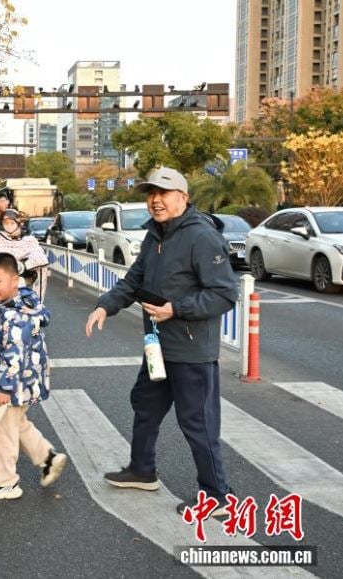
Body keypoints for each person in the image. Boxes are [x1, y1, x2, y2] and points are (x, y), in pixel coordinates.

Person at [84, 166, 238, 516]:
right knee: (146, 404)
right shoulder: (156, 236)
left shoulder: (201, 236)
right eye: (151, 193)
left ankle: (218, 496)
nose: (155, 200)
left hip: (190, 348)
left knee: (197, 421)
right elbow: (134, 280)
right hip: (158, 345)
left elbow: (225, 294)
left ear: (182, 197)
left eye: (163, 193)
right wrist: (105, 306)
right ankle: (142, 469)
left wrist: (176, 309)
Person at [0, 252, 67, 500]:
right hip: (22, 383)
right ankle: (48, 458)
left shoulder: (15, 313)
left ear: (15, 280)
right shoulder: (21, 304)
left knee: (0, 434)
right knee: (17, 425)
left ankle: (5, 483)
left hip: (10, 385)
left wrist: (4, 388)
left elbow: (15, 352)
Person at [0, 209, 51, 313]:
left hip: (24, 274)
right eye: (6, 223)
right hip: (2, 274)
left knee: (42, 267)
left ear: (19, 223)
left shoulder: (29, 240)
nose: (9, 226)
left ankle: (36, 304)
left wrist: (24, 265)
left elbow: (40, 257)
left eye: (12, 223)